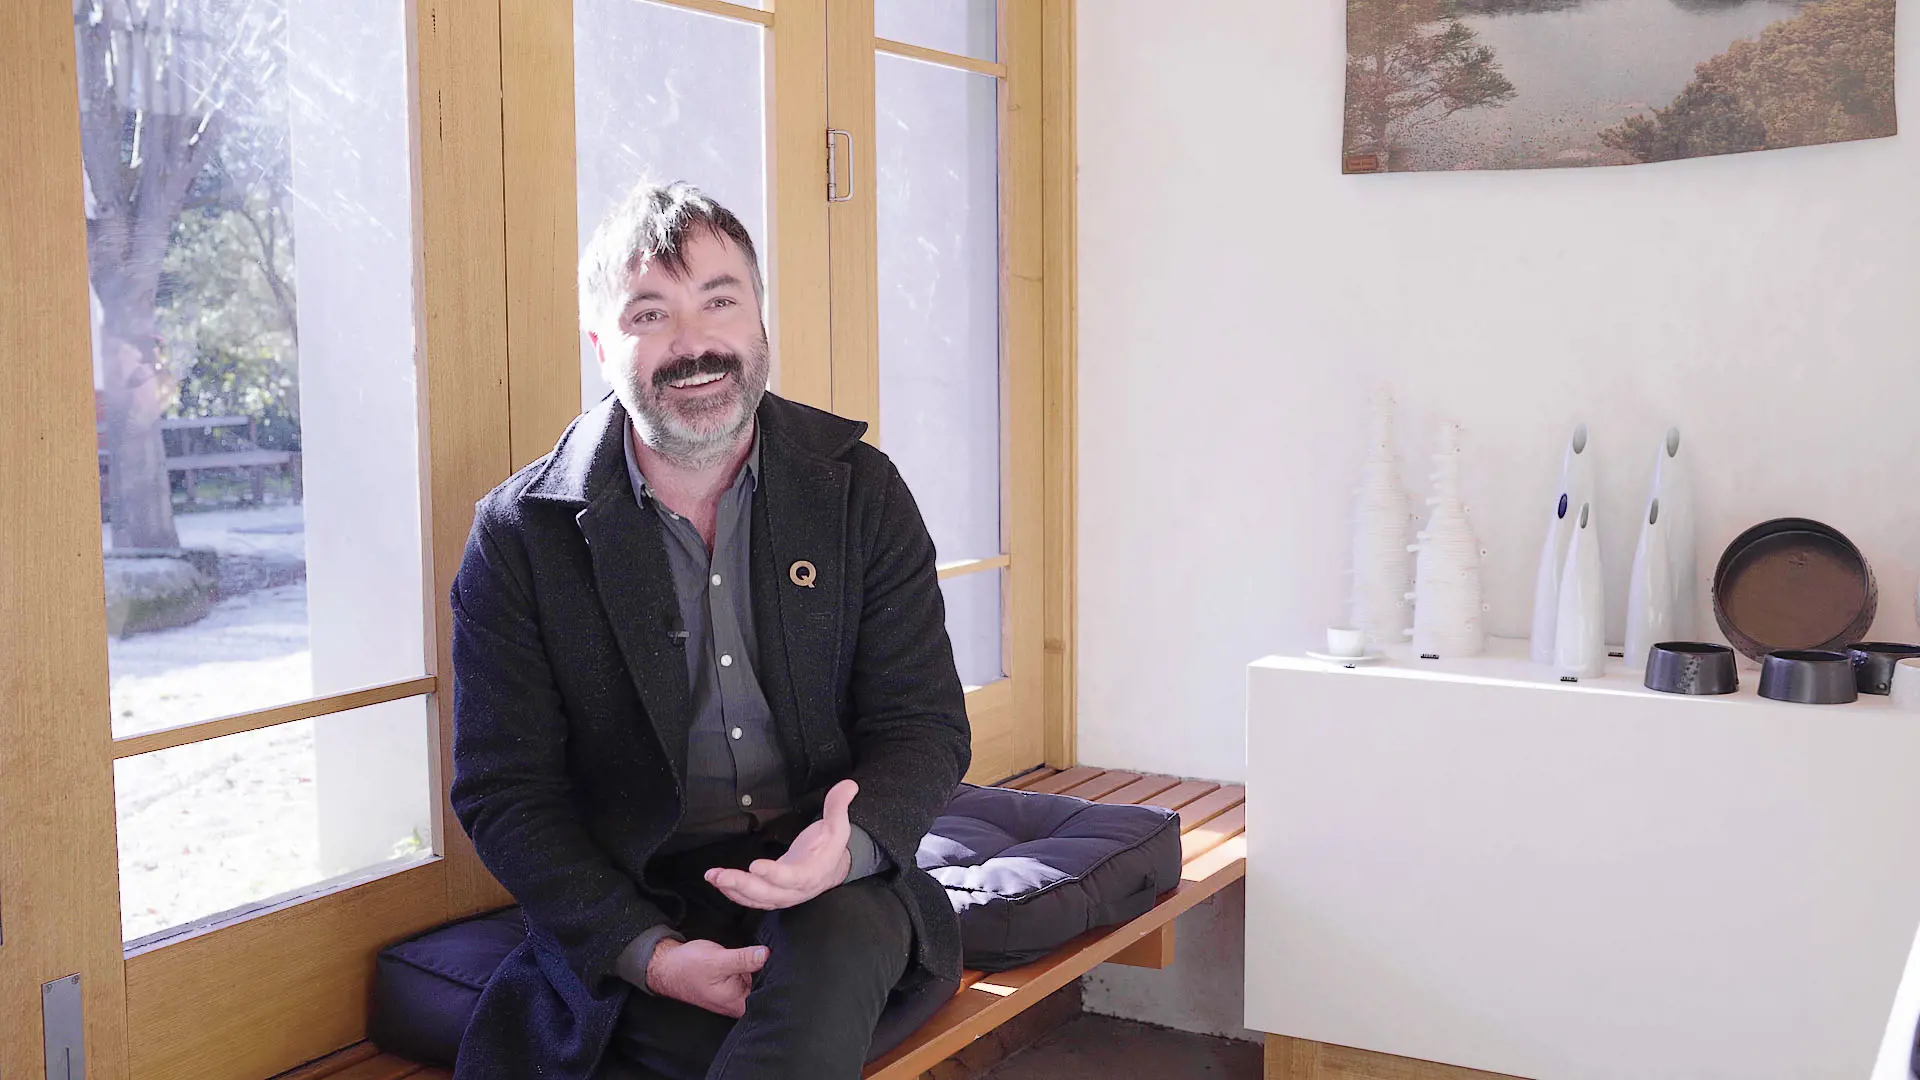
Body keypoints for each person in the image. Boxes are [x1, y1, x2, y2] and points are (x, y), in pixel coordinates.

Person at [447, 180, 970, 1080]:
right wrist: (650, 954)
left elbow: (924, 725)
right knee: (742, 1035)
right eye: (650, 313)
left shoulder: (860, 491)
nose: (694, 345)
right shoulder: (519, 536)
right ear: (601, 343)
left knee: (830, 957)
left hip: (829, 880)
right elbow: (507, 792)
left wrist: (845, 846)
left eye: (719, 301)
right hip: (638, 892)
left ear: (760, 318)